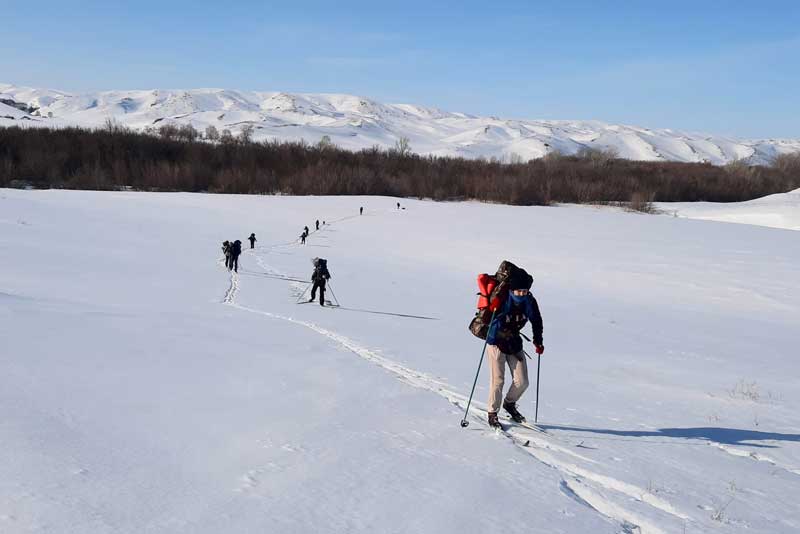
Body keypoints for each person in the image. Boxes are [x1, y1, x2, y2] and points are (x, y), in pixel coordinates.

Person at [485, 270, 544, 428]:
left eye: (525, 291)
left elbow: (536, 321)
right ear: (512, 290)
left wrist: (538, 341)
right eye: (519, 291)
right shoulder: (502, 297)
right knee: (498, 380)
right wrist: (493, 306)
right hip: (496, 342)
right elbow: (489, 313)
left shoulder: (529, 301)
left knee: (522, 382)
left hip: (514, 343)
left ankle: (509, 404)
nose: (522, 294)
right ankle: (492, 413)